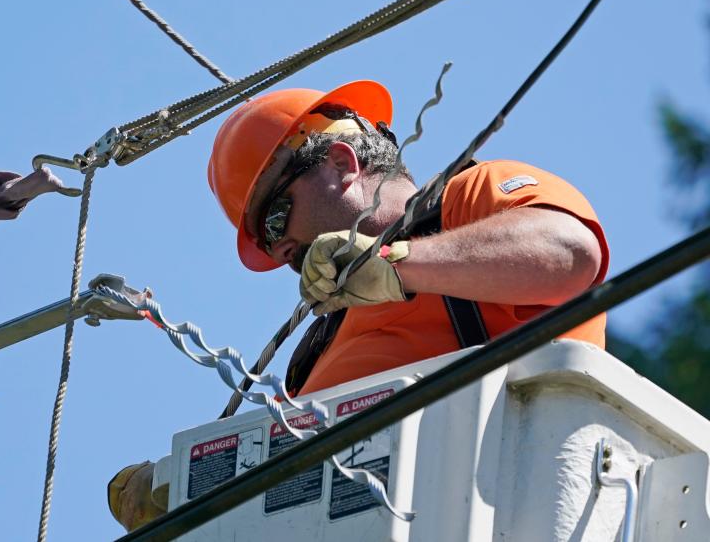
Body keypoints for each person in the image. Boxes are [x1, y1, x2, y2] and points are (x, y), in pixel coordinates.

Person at [107, 80, 608, 530]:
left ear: (343, 165)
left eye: (276, 220)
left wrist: (397, 264)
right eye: (265, 242)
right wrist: (188, 486)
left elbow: (569, 253)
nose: (279, 251)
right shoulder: (315, 349)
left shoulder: (465, 202)